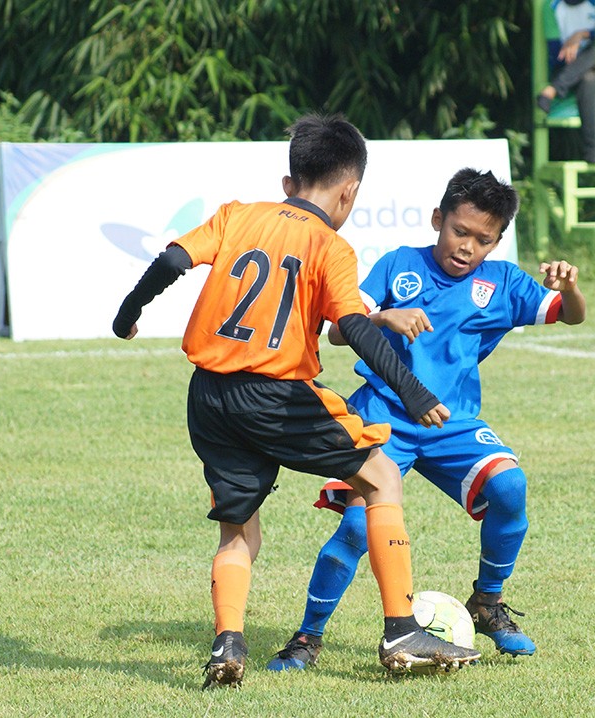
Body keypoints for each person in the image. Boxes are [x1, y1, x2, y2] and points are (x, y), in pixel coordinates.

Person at [111, 113, 481, 688]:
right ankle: (402, 628)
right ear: (349, 191)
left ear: (290, 181)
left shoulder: (237, 216)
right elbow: (356, 329)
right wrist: (411, 391)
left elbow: (171, 261)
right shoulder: (330, 246)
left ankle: (228, 643)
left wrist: (126, 315)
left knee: (238, 531)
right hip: (277, 395)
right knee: (382, 476)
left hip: (209, 396)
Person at [266, 168, 587, 672]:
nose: (467, 247)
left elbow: (570, 315)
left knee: (510, 488)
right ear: (439, 219)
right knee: (355, 527)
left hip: (449, 421)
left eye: (483, 240)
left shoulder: (502, 282)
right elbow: (337, 333)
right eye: (460, 232)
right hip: (383, 415)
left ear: (498, 242)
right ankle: (307, 637)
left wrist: (569, 289)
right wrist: (382, 317)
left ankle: (487, 602)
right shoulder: (398, 266)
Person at [536, 0, 595, 164]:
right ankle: (593, 151)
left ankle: (553, 89)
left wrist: (580, 35)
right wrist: (582, 60)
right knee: (589, 75)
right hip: (564, 66)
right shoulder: (551, 7)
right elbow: (556, 53)